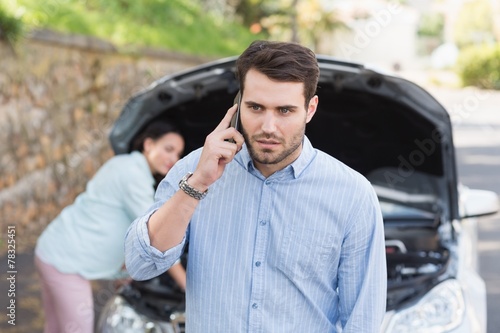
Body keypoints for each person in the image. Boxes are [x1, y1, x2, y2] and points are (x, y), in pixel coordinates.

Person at [125, 40, 387, 332]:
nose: (268, 127)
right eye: (256, 107)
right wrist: (198, 184)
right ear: (238, 106)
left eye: (285, 111)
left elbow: (362, 321)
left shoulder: (353, 196)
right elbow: (140, 264)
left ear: (310, 109)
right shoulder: (193, 169)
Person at [35, 121, 186, 333]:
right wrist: (186, 285)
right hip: (64, 262)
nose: (174, 159)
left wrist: (123, 272)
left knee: (55, 328)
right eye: (168, 149)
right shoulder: (133, 176)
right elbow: (157, 234)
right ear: (149, 144)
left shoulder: (124, 164)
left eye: (178, 153)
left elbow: (114, 219)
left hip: (51, 249)